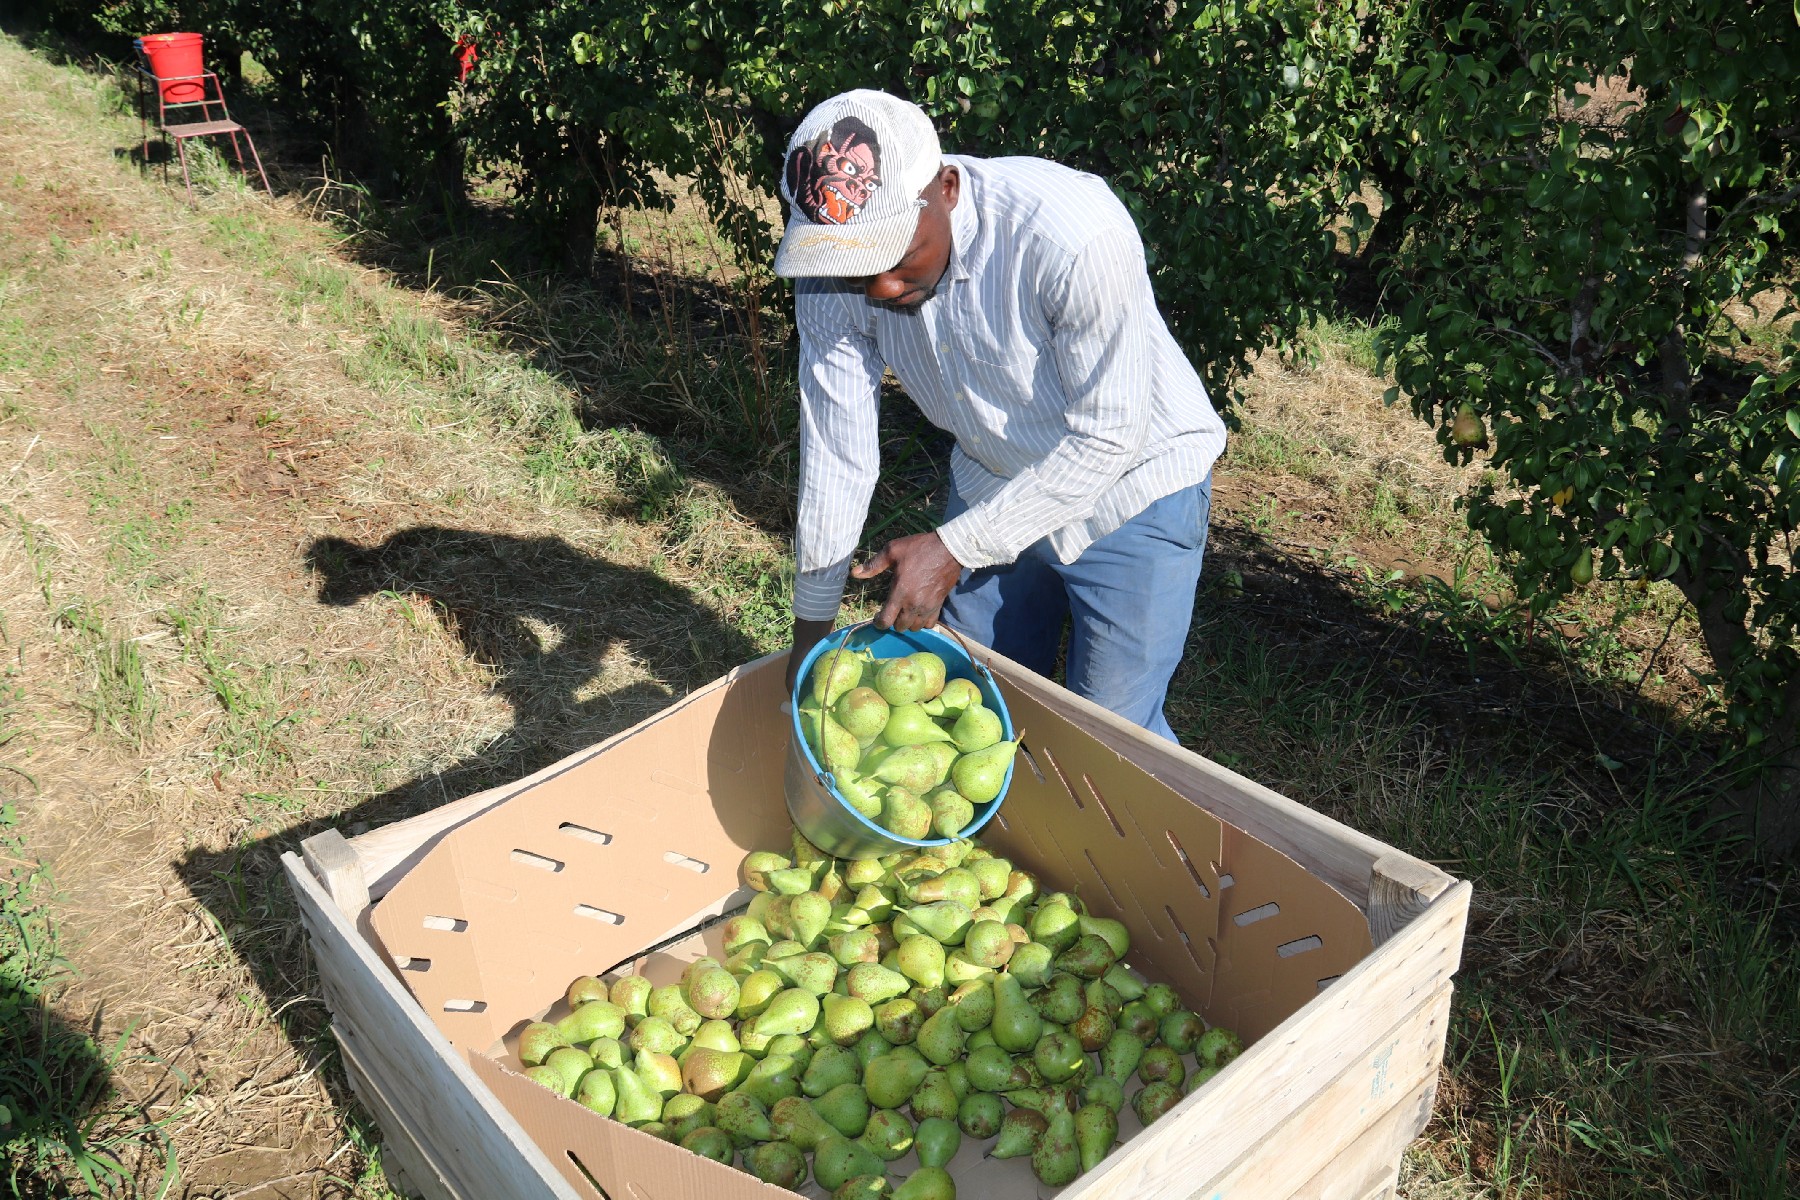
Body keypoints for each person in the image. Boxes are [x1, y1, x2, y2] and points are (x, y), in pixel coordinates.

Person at [776, 90, 1226, 742]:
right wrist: (807, 646)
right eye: (856, 267)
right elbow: (836, 455)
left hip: (1134, 491)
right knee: (966, 708)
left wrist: (957, 547)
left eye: (895, 256)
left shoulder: (1071, 235)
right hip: (994, 476)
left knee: (1111, 743)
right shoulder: (832, 269)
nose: (879, 289)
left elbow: (1108, 435)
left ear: (948, 189)